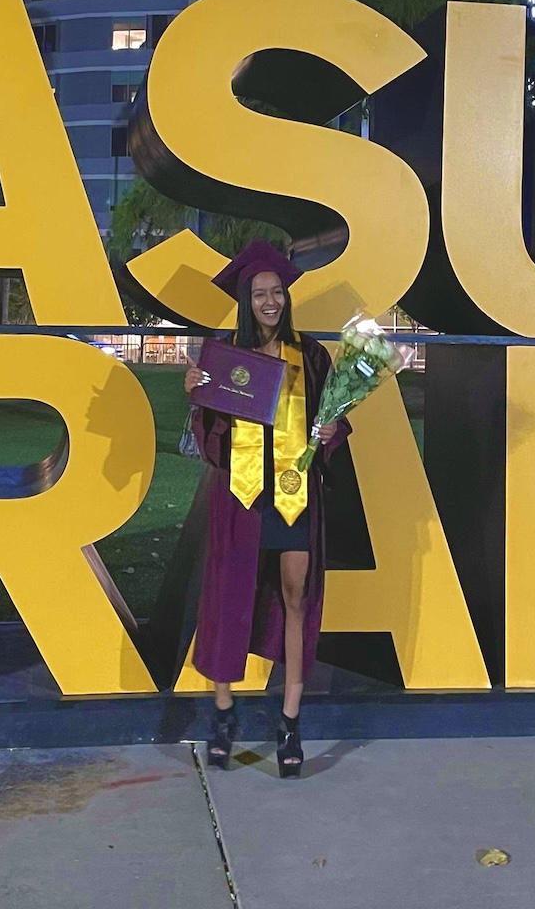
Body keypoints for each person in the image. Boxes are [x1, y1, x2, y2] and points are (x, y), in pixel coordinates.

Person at [184, 240, 350, 779]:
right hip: (243, 499)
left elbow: (331, 420)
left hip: (295, 500)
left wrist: (330, 431)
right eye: (260, 294)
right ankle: (225, 713)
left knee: (297, 599)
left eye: (277, 292)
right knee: (229, 598)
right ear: (245, 300)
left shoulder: (311, 355)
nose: (270, 301)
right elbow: (210, 440)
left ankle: (290, 721)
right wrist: (197, 396)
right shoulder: (226, 354)